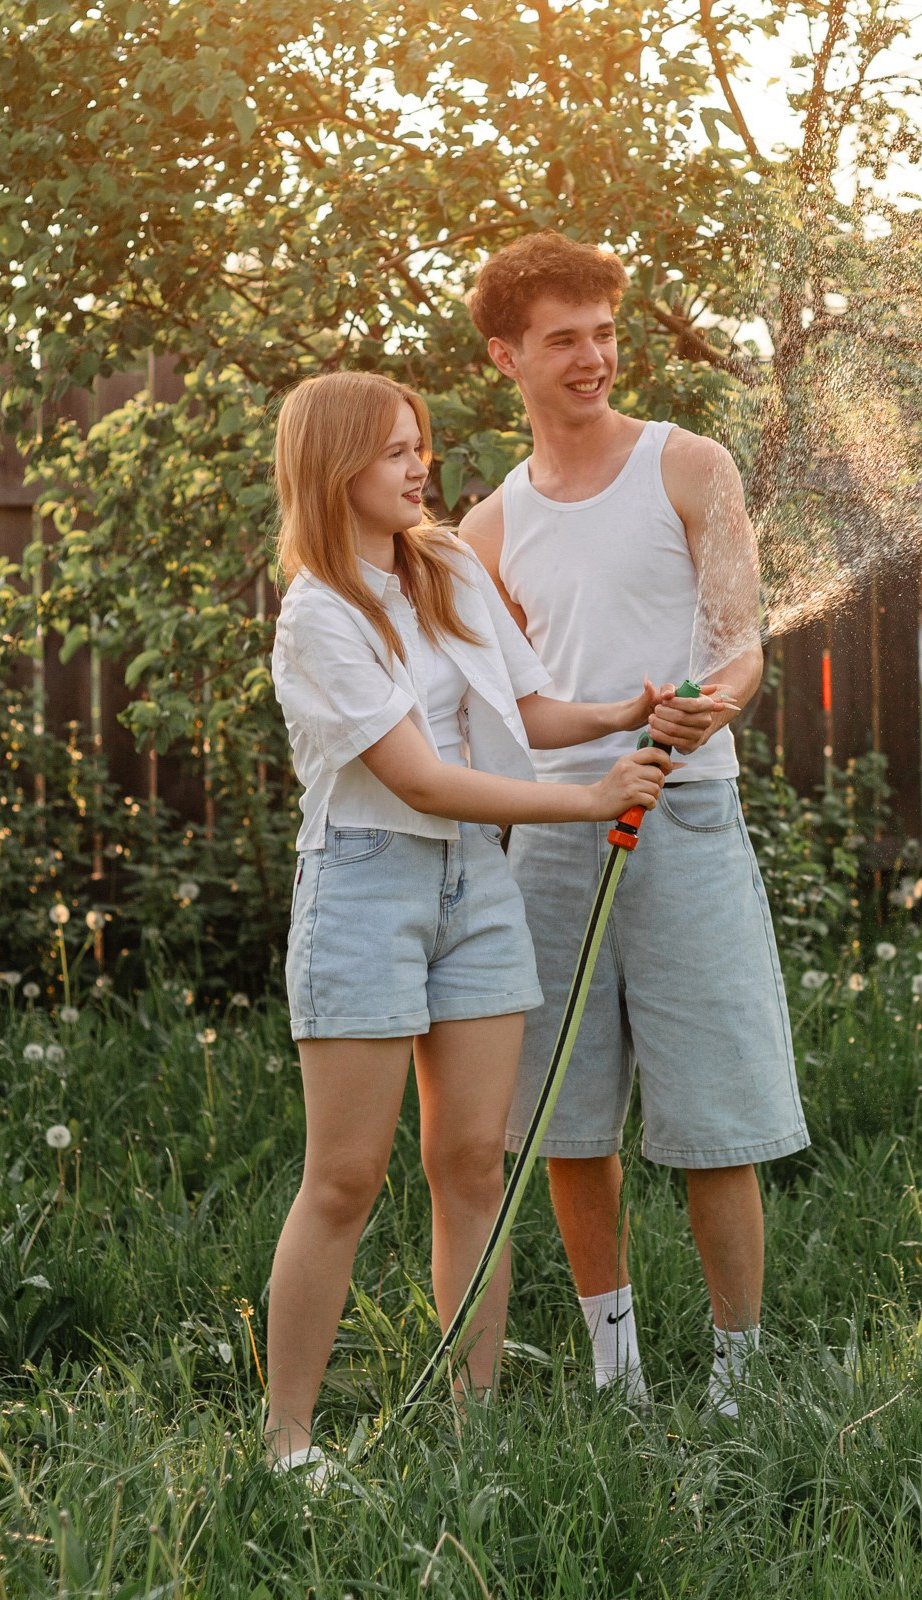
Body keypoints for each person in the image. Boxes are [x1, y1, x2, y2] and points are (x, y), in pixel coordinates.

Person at [262, 371, 675, 1477]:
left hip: (474, 892)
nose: (419, 468)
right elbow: (424, 780)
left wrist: (626, 711)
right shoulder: (317, 614)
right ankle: (287, 1444)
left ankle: (469, 1428)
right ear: (332, 465)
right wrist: (589, 797)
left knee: (472, 1167)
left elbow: (529, 709)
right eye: (395, 451)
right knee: (343, 1178)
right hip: (364, 885)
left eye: (420, 447)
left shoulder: (442, 562)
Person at [457, 233, 804, 1418]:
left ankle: (738, 1378)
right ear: (507, 354)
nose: (595, 357)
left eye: (605, 332)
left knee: (715, 1116)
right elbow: (507, 711)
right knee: (567, 1114)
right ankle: (619, 1370)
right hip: (557, 835)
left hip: (689, 818)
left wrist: (719, 705)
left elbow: (741, 639)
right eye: (565, 338)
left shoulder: (690, 468)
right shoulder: (487, 528)